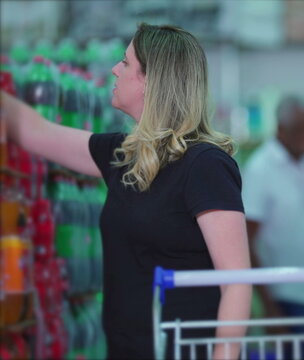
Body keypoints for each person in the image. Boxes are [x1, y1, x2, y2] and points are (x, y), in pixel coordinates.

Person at [1, 23, 251, 359]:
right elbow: (36, 132)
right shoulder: (123, 156)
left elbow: (236, 281)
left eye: (125, 62)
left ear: (151, 80)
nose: (114, 70)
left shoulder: (205, 165)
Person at [242, 96, 304, 358]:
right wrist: (270, 309)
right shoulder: (260, 169)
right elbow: (246, 242)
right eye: (301, 129)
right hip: (290, 297)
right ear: (281, 130)